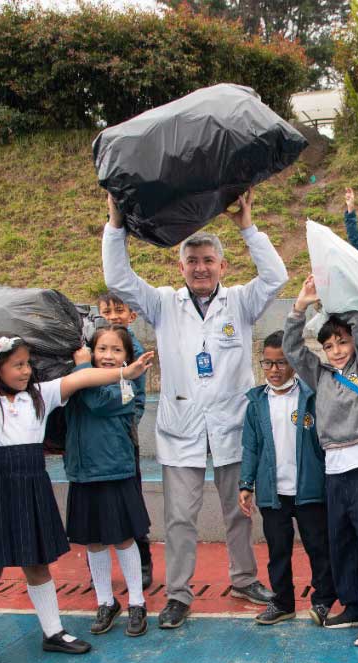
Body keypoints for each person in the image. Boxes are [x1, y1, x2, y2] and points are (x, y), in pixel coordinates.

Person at [0, 322, 153, 663]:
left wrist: (125, 372)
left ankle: (53, 631)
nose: (26, 371)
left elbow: (80, 381)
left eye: (28, 363)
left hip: (31, 486)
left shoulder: (40, 394)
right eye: (18, 365)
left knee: (38, 565)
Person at [102, 189, 282, 631]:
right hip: (181, 427)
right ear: (179, 267)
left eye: (208, 260)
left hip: (231, 425)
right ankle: (179, 594)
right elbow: (119, 279)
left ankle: (243, 579)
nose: (200, 268)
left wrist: (247, 226)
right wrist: (115, 223)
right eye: (192, 261)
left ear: (223, 266)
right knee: (178, 517)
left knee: (239, 510)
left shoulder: (240, 301)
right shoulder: (164, 303)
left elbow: (276, 276)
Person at [284, 276, 358, 647]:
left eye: (342, 342)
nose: (336, 350)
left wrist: (338, 296)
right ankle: (354, 604)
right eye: (329, 345)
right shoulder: (321, 375)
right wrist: (300, 307)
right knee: (342, 542)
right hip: (334, 469)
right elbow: (292, 349)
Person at [238, 331, 337, 627]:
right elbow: (250, 447)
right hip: (273, 493)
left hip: (308, 490)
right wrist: (246, 484)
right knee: (277, 551)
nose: (273, 370)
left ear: (293, 362)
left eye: (280, 363)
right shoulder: (257, 402)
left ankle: (322, 601)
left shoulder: (309, 395)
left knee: (318, 548)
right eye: (267, 364)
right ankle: (283, 603)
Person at [63, 325, 152, 638]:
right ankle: (105, 601)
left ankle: (137, 602)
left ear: (128, 356)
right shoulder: (78, 375)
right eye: (102, 349)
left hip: (116, 469)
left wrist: (83, 366)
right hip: (84, 470)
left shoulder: (128, 381)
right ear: (91, 349)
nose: (109, 356)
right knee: (93, 540)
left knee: (124, 537)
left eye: (117, 350)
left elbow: (99, 401)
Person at [95, 292, 153, 588]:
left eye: (120, 310)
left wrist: (126, 423)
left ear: (133, 315)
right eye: (108, 310)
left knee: (131, 501)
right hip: (95, 439)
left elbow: (136, 398)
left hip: (121, 434)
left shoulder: (135, 349)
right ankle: (103, 572)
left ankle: (143, 562)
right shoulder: (93, 346)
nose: (114, 315)